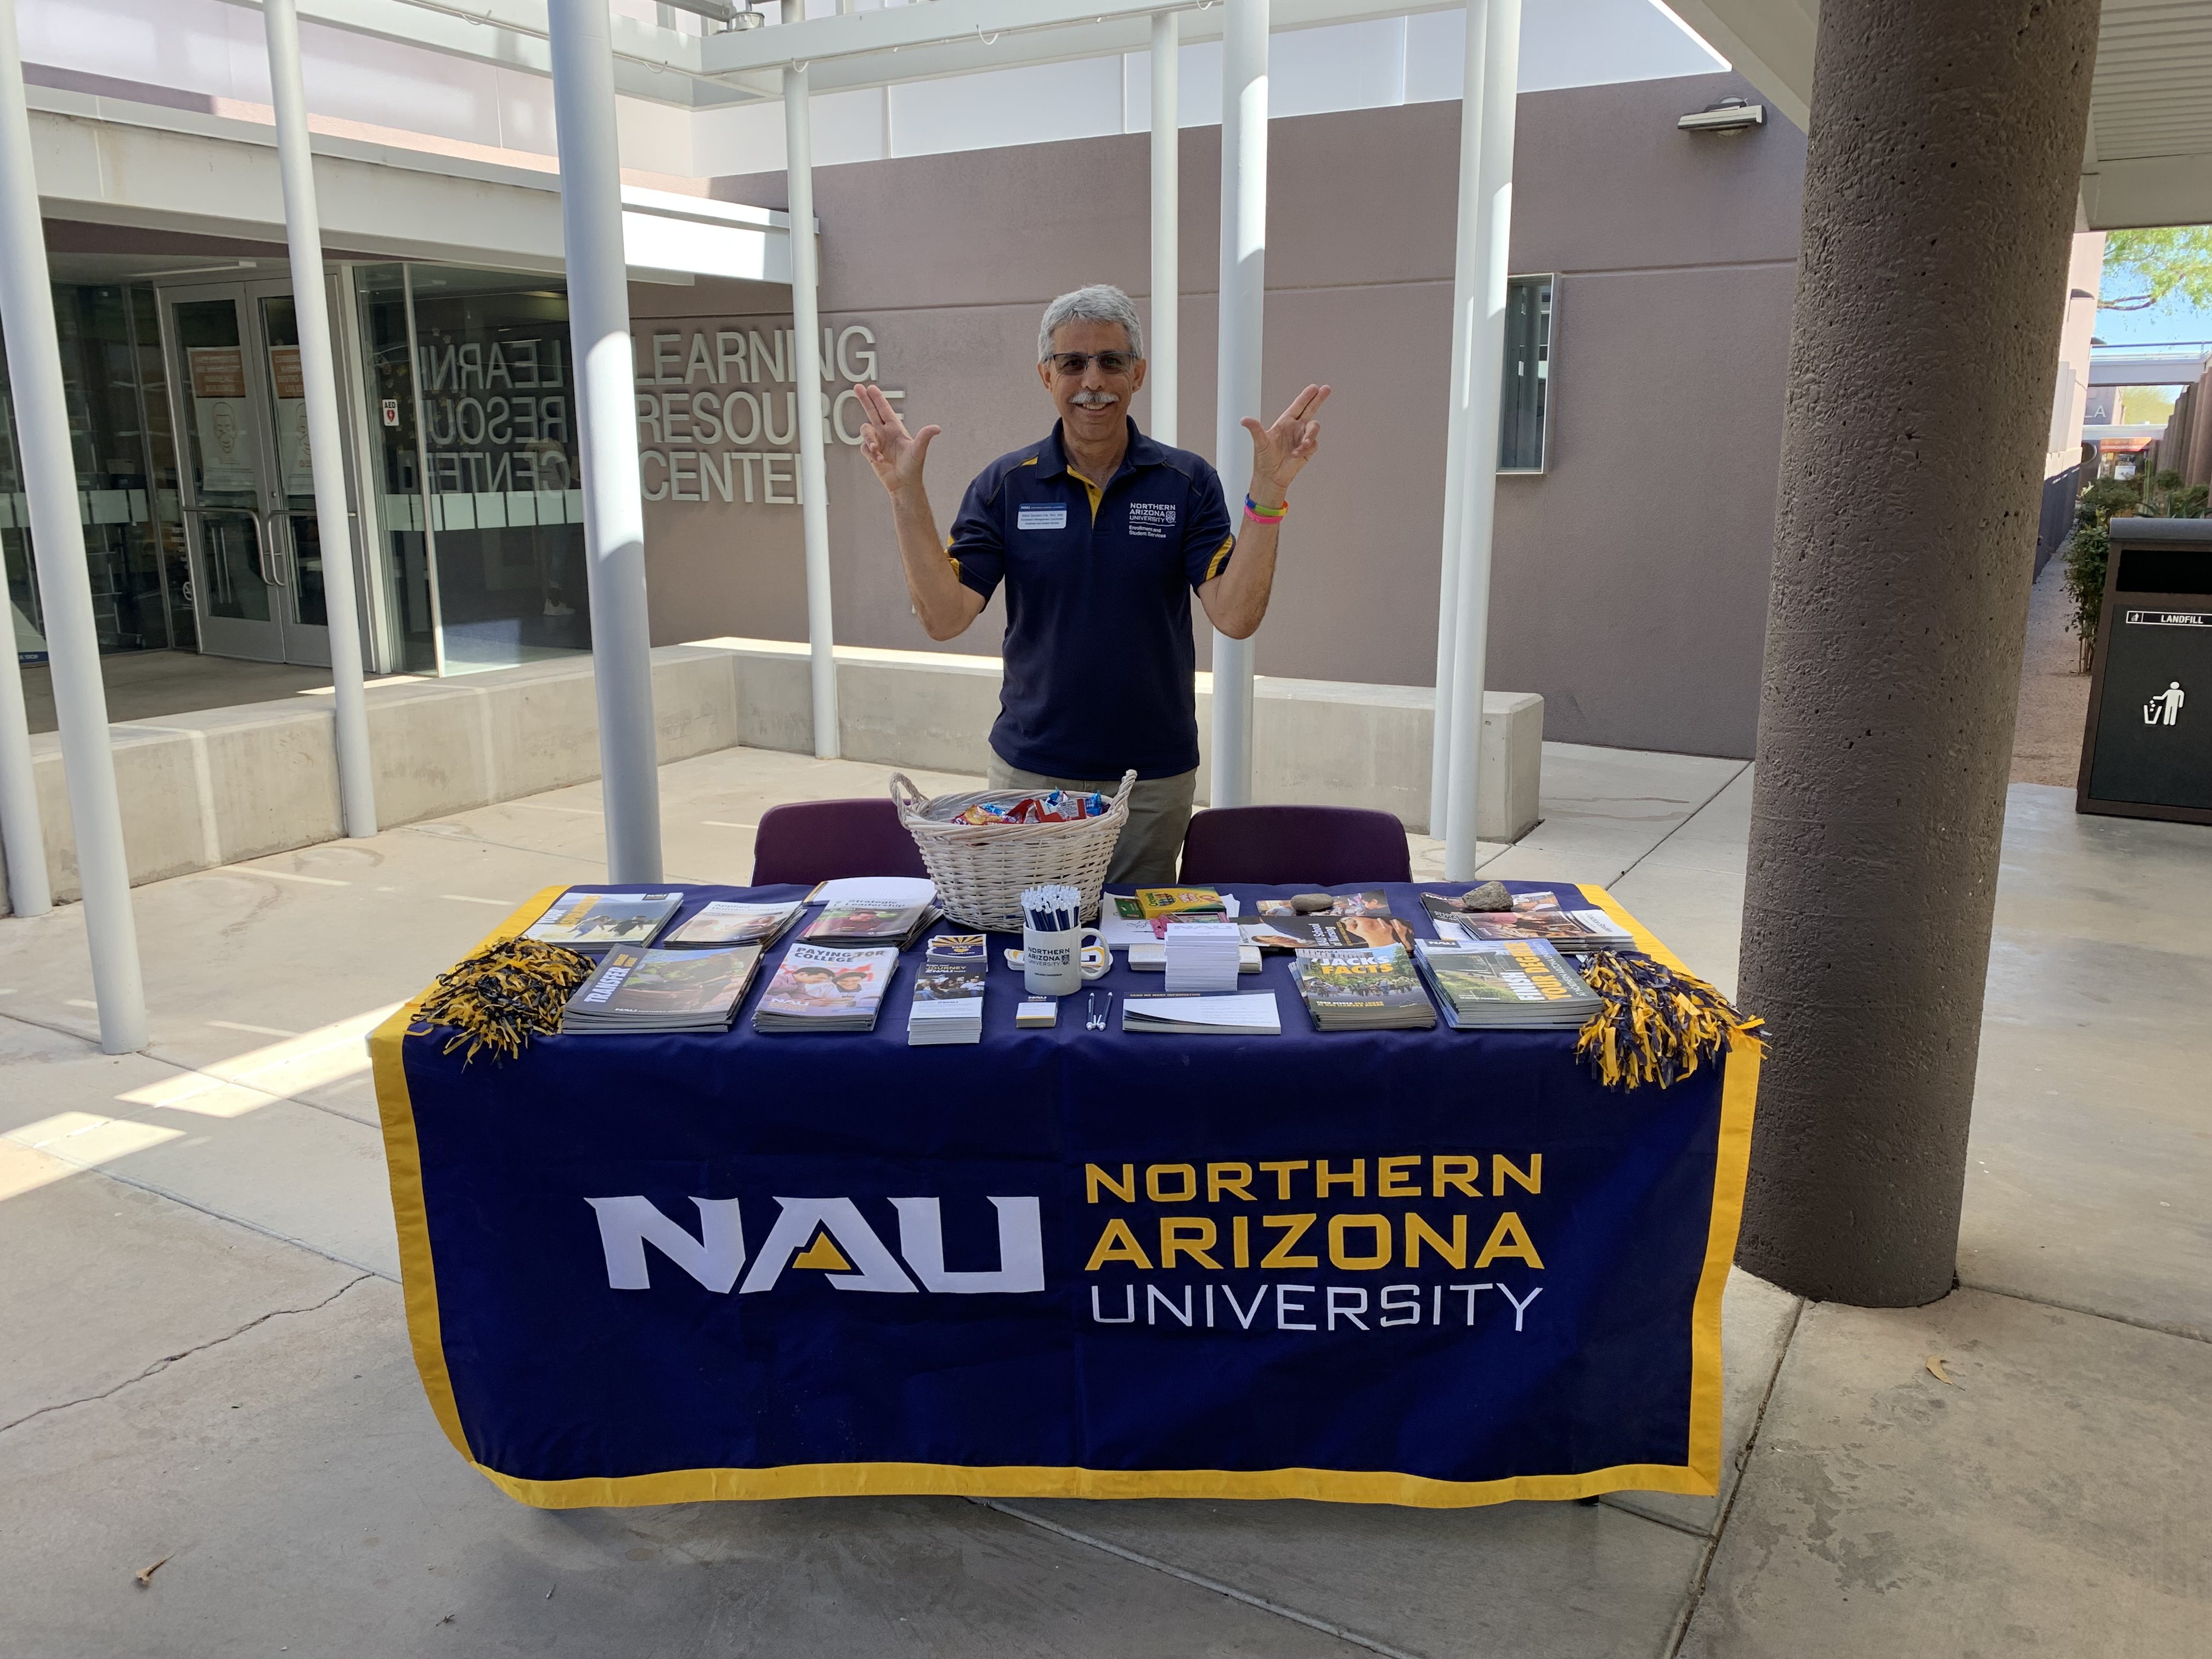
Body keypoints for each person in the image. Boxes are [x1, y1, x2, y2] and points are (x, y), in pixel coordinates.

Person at [854, 284, 1328, 885]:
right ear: (1046, 376)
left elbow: (1236, 617)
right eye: (1072, 363)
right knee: (1026, 946)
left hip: (1150, 781)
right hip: (1031, 771)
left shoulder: (1186, 482)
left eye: (1111, 361)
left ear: (1139, 373)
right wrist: (905, 495)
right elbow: (945, 618)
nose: (1093, 380)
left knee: (1134, 952)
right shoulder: (1006, 485)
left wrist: (1270, 495)